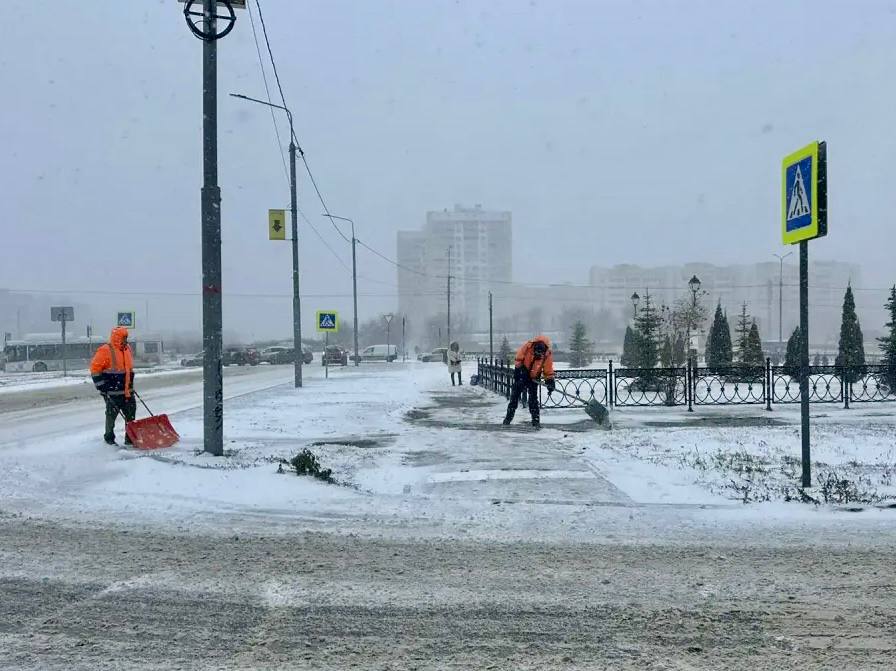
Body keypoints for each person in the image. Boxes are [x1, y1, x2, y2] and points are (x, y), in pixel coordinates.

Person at [90, 326, 136, 445]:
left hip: (127, 391)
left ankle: (130, 438)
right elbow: (95, 369)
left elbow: (128, 369)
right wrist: (102, 387)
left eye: (126, 337)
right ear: (117, 338)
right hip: (112, 392)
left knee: (131, 416)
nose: (126, 340)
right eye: (124, 337)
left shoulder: (127, 349)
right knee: (111, 417)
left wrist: (130, 384)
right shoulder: (105, 350)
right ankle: (109, 438)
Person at [503, 335, 556, 428]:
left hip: (534, 378)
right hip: (521, 376)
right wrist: (522, 371)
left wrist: (550, 380)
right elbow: (518, 359)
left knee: (533, 401)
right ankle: (508, 419)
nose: (538, 355)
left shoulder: (547, 354)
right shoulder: (527, 347)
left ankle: (536, 421)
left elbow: (548, 369)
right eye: (536, 353)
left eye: (540, 354)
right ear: (534, 348)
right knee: (514, 398)